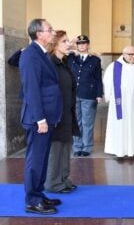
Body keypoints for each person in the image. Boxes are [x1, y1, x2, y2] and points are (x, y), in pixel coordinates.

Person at [19, 19, 63, 214]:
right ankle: (32, 200)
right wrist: (40, 119)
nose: (52, 32)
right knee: (35, 160)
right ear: (39, 34)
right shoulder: (30, 55)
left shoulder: (41, 53)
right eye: (49, 29)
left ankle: (39, 194)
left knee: (43, 159)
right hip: (39, 119)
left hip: (47, 116)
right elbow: (31, 90)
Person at [45, 30, 80, 193]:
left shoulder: (64, 62)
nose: (69, 44)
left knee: (66, 146)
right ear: (55, 44)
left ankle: (64, 178)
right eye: (64, 41)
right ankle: (53, 183)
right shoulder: (49, 62)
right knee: (56, 148)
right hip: (55, 113)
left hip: (67, 111)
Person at [103, 45, 134, 158]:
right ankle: (119, 149)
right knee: (120, 125)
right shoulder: (114, 67)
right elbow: (107, 82)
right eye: (130, 54)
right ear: (123, 54)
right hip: (121, 104)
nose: (133, 57)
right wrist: (109, 97)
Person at [68, 35, 103, 157]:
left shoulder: (95, 60)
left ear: (88, 45)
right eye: (79, 44)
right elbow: (61, 49)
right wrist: (72, 43)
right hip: (73, 94)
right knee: (76, 122)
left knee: (87, 122)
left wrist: (99, 94)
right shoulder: (71, 57)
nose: (82, 45)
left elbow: (98, 78)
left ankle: (87, 147)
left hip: (89, 94)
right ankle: (77, 146)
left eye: (84, 43)